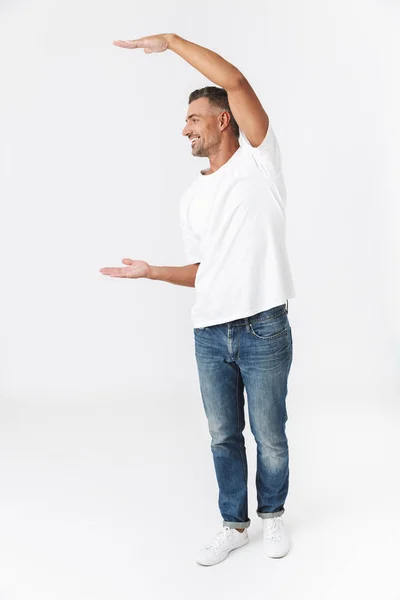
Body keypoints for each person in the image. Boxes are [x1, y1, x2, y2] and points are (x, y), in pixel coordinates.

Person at [100, 33, 296, 566]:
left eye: (193, 118)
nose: (184, 128)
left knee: (270, 434)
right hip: (210, 332)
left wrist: (169, 41)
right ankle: (234, 524)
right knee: (222, 436)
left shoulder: (259, 162)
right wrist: (152, 273)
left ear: (223, 119)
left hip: (262, 326)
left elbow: (235, 81)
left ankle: (272, 517)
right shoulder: (192, 197)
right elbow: (204, 271)